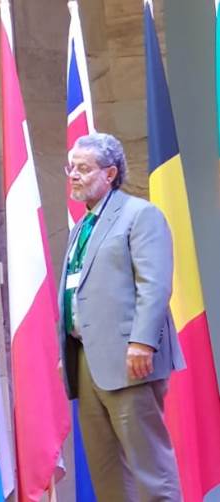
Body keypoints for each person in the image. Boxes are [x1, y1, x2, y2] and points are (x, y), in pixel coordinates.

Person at [58, 132, 185, 501]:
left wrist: (142, 342)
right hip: (86, 358)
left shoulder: (140, 214)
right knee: (107, 469)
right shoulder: (82, 227)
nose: (74, 175)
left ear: (110, 173)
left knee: (150, 470)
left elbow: (155, 285)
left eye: (84, 168)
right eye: (71, 167)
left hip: (131, 358)